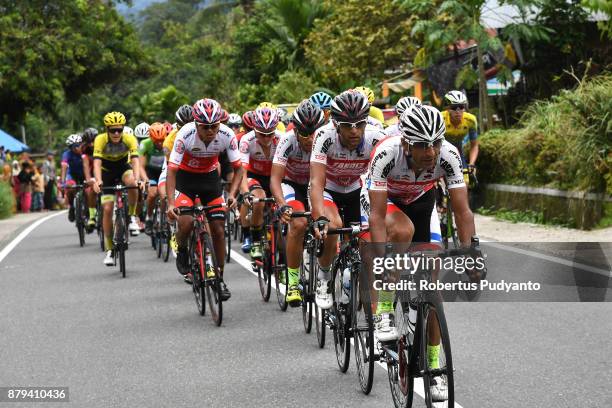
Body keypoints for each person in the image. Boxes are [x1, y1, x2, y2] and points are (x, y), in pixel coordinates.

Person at [361, 105, 477, 402]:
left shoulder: (449, 154)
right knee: (401, 231)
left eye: (435, 143)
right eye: (422, 145)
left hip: (422, 198)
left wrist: (471, 252)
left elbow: (462, 211)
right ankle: (385, 308)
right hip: (384, 200)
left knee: (431, 281)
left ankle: (434, 363)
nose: (430, 151)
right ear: (406, 143)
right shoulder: (387, 153)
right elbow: (375, 217)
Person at [309, 90, 384, 309]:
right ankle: (324, 277)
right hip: (329, 189)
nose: (354, 131)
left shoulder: (376, 137)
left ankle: (357, 284)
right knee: (333, 226)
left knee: (368, 241)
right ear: (335, 124)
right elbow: (316, 182)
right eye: (347, 125)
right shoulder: (324, 136)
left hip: (357, 189)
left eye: (359, 124)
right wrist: (319, 217)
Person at [166, 98, 243, 299]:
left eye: (214, 126)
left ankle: (219, 278)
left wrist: (233, 194)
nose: (210, 131)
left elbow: (239, 168)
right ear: (196, 124)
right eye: (205, 127)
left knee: (218, 228)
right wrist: (170, 203)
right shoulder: (185, 135)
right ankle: (182, 248)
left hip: (209, 179)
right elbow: (172, 171)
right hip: (185, 179)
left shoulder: (227, 134)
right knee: (186, 221)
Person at [270, 99, 325, 305]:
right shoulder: (287, 141)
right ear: (295, 132)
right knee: (299, 223)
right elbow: (275, 179)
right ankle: (293, 282)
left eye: (315, 133)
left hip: (317, 185)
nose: (311, 139)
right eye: (304, 134)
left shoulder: (327, 140)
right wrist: (282, 204)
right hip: (292, 184)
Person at [92, 111, 142, 266]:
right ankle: (109, 249)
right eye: (112, 130)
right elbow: (97, 163)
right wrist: (98, 180)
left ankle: (132, 216)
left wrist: (138, 179)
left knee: (132, 182)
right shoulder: (100, 140)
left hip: (122, 167)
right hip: (106, 171)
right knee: (107, 209)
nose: (116, 133)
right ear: (106, 129)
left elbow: (135, 161)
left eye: (119, 129)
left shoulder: (129, 139)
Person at [238, 106, 283, 260]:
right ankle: (255, 239)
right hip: (254, 175)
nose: (266, 138)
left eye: (270, 134)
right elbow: (242, 172)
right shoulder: (246, 140)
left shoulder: (282, 139)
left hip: (275, 177)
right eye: (262, 134)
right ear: (254, 129)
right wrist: (244, 193)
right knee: (258, 200)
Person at [139, 122, 167, 234]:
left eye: (162, 140)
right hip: (150, 172)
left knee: (164, 195)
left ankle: (164, 219)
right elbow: (140, 166)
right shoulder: (145, 144)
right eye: (156, 140)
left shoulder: (168, 142)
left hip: (163, 171)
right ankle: (149, 218)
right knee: (152, 194)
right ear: (151, 138)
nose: (160, 143)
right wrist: (145, 179)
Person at [441, 90, 479, 169]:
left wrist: (471, 164)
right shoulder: (439, 118)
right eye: (454, 108)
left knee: (466, 180)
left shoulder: (471, 120)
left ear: (464, 108)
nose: (458, 111)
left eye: (461, 107)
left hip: (458, 150)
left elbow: (474, 145)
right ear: (448, 108)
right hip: (440, 151)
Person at [61, 134, 85, 222]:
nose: (76, 148)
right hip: (72, 174)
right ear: (70, 147)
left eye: (78, 145)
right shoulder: (66, 154)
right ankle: (71, 206)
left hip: (84, 174)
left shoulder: (85, 152)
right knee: (69, 187)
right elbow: (64, 167)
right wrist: (63, 182)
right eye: (73, 146)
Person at [81, 127, 99, 229]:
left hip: (101, 170)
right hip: (91, 170)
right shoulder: (84, 149)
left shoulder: (103, 145)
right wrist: (88, 179)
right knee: (90, 190)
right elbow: (85, 165)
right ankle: (92, 216)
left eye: (93, 141)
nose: (91, 144)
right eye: (89, 142)